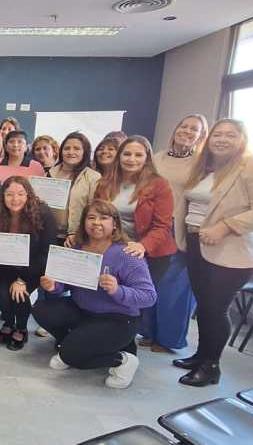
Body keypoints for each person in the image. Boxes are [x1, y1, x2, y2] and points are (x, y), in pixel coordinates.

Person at [176, 118, 253, 387]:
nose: (222, 139)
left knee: (214, 308)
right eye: (217, 135)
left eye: (230, 135)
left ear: (242, 139)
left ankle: (211, 367)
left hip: (233, 252)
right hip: (197, 243)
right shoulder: (205, 168)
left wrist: (225, 227)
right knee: (205, 307)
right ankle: (201, 355)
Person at [34, 199, 157, 389]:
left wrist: (118, 290)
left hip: (117, 319)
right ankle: (76, 343)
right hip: (83, 311)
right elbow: (64, 285)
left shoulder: (126, 254)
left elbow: (149, 296)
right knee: (42, 309)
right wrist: (53, 286)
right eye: (91, 217)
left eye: (104, 218)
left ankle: (122, 360)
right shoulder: (77, 248)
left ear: (115, 223)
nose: (96, 222)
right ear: (84, 222)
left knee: (71, 355)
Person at [95, 136, 177, 351]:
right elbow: (97, 215)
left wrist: (143, 245)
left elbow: (162, 225)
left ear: (147, 158)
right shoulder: (105, 183)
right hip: (116, 249)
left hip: (150, 252)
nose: (131, 159)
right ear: (119, 156)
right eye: (127, 154)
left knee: (134, 301)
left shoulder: (159, 185)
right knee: (111, 294)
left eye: (138, 154)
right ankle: (109, 339)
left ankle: (126, 348)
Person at [148, 114, 208, 351]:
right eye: (183, 126)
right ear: (175, 129)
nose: (187, 131)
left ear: (201, 136)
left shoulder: (202, 164)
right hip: (153, 227)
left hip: (181, 229)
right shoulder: (156, 159)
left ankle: (168, 338)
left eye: (194, 129)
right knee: (150, 280)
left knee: (174, 286)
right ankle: (149, 331)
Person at [0, 176, 57, 351]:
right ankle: (9, 323)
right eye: (9, 194)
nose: (15, 199)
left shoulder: (44, 214)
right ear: (2, 196)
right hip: (5, 267)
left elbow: (46, 252)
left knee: (19, 294)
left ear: (29, 195)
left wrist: (22, 280)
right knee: (3, 294)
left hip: (33, 268)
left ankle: (21, 328)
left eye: (20, 194)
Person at [48, 132, 101, 246]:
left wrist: (78, 234)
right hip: (49, 234)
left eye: (76, 148)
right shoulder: (49, 173)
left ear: (85, 152)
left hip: (77, 238)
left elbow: (95, 210)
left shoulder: (93, 177)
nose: (71, 152)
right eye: (67, 148)